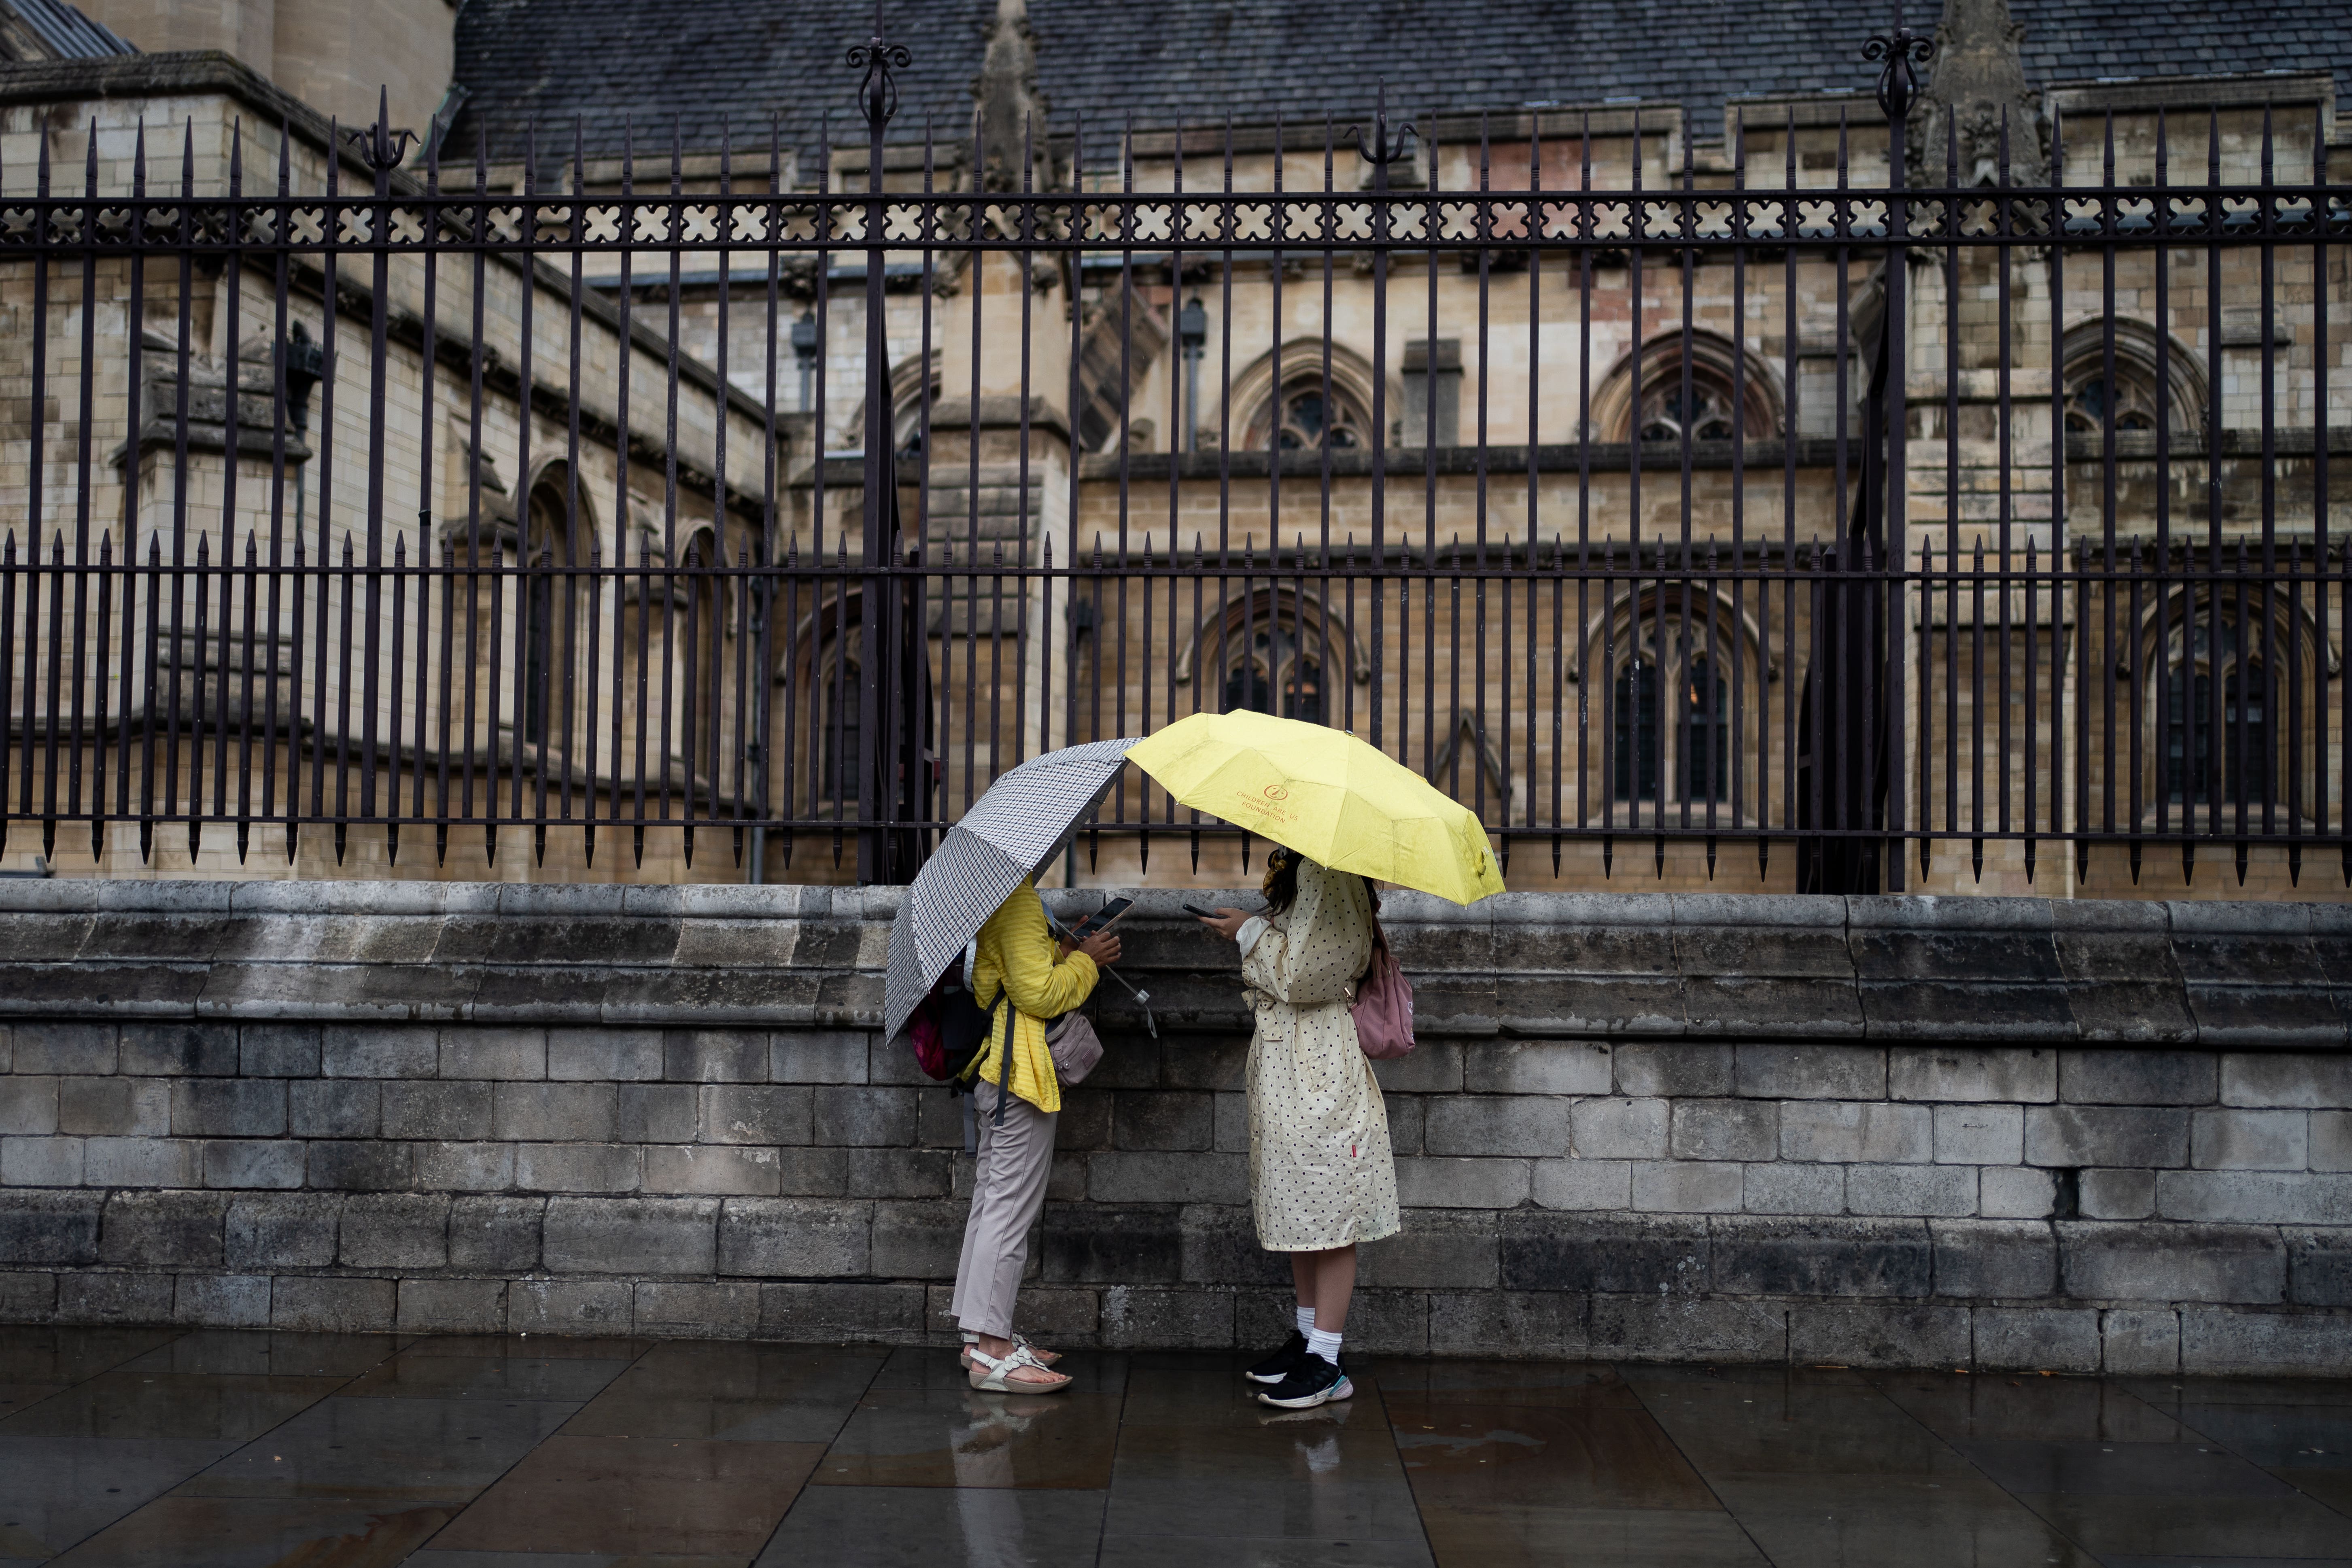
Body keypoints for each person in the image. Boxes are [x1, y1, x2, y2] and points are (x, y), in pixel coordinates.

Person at [1198, 847, 1400, 1410]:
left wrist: (1248, 931)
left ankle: (1327, 1360)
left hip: (1316, 1062)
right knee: (1301, 1202)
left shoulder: (1327, 868)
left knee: (1329, 1203)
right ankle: (1310, 1337)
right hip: (1293, 1060)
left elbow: (1305, 973)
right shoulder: (1311, 867)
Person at [951, 876, 1119, 1392]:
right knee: (1007, 1213)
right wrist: (1086, 960)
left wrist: (1065, 947)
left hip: (996, 1073)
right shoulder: (1018, 898)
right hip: (1021, 1077)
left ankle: (979, 1334)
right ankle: (993, 1351)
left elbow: (996, 981)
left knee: (990, 1206)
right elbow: (1040, 993)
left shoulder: (989, 895)